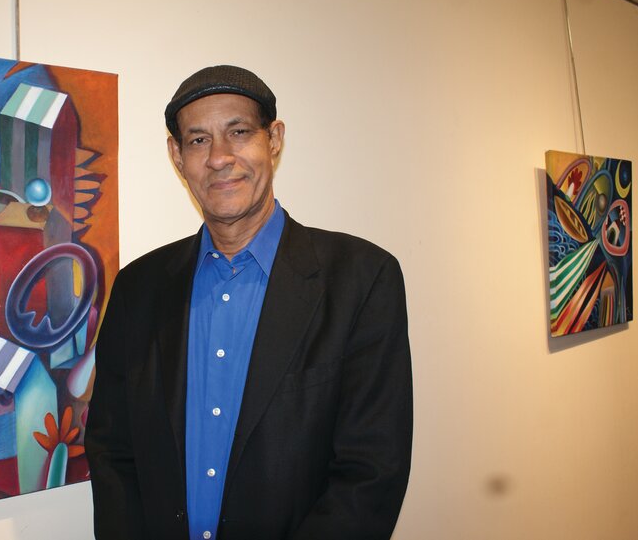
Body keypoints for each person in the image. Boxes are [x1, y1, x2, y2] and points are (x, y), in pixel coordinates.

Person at [85, 65, 413, 540]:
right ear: (177, 156)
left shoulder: (361, 279)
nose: (219, 158)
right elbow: (112, 452)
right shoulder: (138, 287)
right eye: (198, 141)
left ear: (273, 140)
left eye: (238, 132)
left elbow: (371, 473)